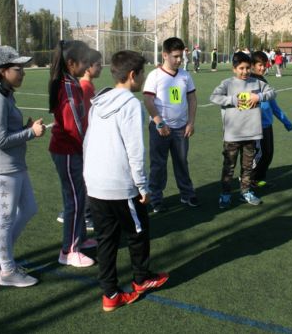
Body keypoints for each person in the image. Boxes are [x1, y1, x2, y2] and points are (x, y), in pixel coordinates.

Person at [83, 50, 169, 312]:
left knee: (106, 239)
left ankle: (110, 294)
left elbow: (88, 142)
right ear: (133, 75)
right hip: (120, 185)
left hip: (95, 183)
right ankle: (141, 279)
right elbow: (135, 150)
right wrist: (143, 187)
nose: (143, 78)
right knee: (138, 231)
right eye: (142, 73)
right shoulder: (131, 105)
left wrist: (89, 177)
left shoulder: (99, 101)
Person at [0, 46, 46, 287]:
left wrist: (24, 129)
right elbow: (0, 140)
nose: (23, 73)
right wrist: (30, 132)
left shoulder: (7, 95)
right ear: (1, 71)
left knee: (28, 209)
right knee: (5, 219)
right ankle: (7, 270)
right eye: (18, 69)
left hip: (14, 166)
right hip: (2, 170)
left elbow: (7, 133)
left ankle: (0, 258)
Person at [48, 40, 96, 268]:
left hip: (72, 149)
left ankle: (80, 239)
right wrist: (86, 147)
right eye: (84, 62)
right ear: (71, 63)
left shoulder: (71, 82)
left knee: (78, 195)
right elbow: (74, 124)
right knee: (74, 200)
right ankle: (68, 250)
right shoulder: (67, 86)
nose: (87, 66)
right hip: (67, 150)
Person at [210, 51, 276, 209]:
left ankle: (245, 192)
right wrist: (232, 100)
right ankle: (225, 194)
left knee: (247, 167)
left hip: (251, 133)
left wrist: (258, 97)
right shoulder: (227, 83)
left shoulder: (256, 83)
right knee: (229, 167)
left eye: (247, 68)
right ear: (234, 69)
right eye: (241, 68)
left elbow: (272, 92)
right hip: (232, 135)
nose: (245, 71)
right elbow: (214, 97)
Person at [143, 37, 198, 213]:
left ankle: (187, 194)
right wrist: (159, 123)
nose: (179, 60)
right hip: (160, 129)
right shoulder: (155, 76)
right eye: (175, 56)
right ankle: (156, 199)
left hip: (181, 128)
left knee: (182, 162)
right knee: (158, 164)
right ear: (164, 55)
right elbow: (148, 100)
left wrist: (190, 122)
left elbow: (192, 98)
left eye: (181, 56)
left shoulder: (185, 75)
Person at [57, 48, 103, 229]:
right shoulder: (83, 87)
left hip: (86, 141)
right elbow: (81, 117)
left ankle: (80, 213)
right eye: (97, 65)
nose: (100, 68)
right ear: (87, 67)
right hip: (83, 142)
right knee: (85, 179)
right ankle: (85, 215)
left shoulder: (87, 86)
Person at [250, 51, 292, 188]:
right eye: (259, 65)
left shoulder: (264, 81)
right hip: (256, 126)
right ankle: (248, 179)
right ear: (252, 66)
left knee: (269, 153)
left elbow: (273, 105)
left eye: (264, 65)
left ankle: (258, 178)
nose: (263, 68)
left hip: (267, 125)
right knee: (258, 155)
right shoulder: (249, 82)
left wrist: (285, 121)